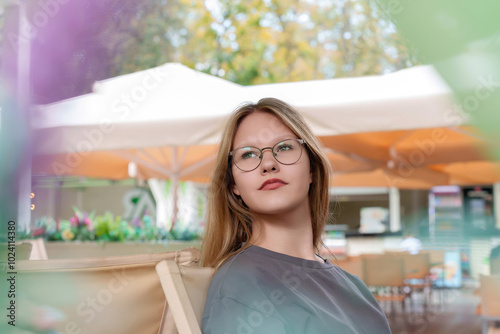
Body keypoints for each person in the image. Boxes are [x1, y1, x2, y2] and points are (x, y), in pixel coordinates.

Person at [201, 98, 392, 334]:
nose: (268, 163)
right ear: (234, 185)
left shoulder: (355, 287)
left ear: (311, 169)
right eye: (248, 154)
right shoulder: (239, 285)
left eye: (284, 147)